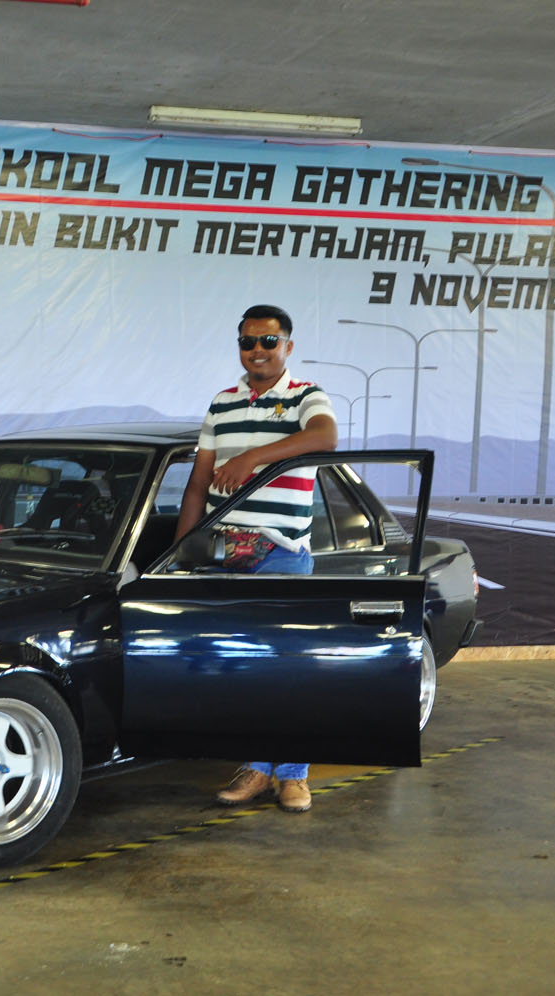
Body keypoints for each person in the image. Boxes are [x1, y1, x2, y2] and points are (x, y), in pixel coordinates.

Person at [174, 304, 338, 813]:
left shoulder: (306, 396)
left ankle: (293, 776)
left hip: (281, 554)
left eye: (269, 341)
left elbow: (325, 437)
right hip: (225, 552)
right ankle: (257, 770)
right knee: (245, 672)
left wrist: (250, 459)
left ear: (287, 346)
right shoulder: (222, 404)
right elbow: (198, 484)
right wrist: (181, 553)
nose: (258, 351)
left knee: (288, 673)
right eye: (248, 342)